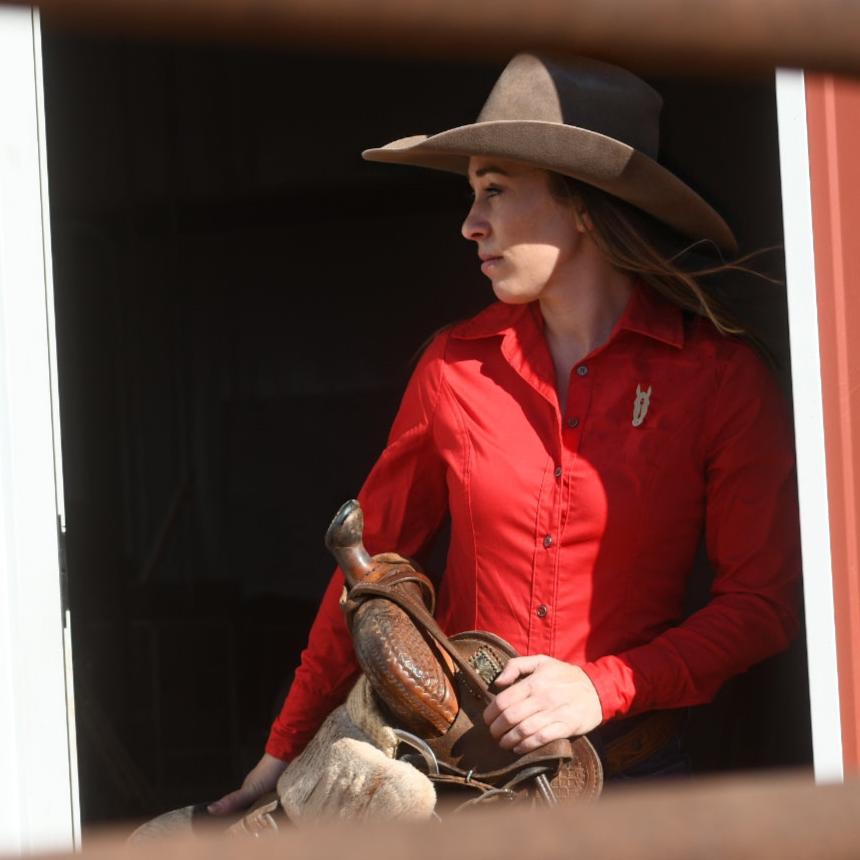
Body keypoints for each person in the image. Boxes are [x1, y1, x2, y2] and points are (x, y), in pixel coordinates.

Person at [209, 53, 800, 814]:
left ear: (582, 204)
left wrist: (602, 685)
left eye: (494, 191)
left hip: (638, 787)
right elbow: (366, 569)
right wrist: (280, 753)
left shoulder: (718, 378)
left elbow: (762, 603)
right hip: (465, 789)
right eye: (470, 194)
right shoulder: (453, 370)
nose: (469, 223)